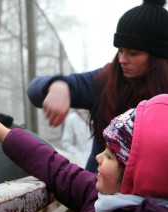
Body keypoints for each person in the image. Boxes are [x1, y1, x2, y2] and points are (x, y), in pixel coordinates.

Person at [0, 93, 168, 212]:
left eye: (108, 156)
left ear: (136, 177)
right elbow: (58, 169)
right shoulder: (98, 197)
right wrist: (5, 135)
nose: (98, 157)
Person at [27, 0, 168, 173]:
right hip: (96, 193)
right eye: (120, 51)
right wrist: (58, 85)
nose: (123, 59)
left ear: (159, 59)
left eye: (133, 53)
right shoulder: (106, 81)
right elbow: (34, 90)